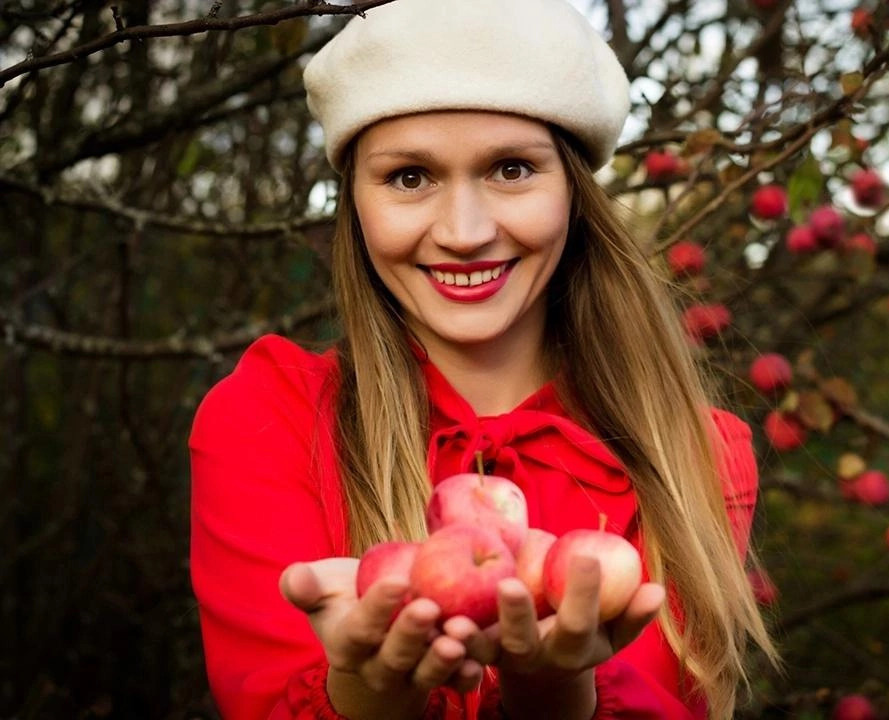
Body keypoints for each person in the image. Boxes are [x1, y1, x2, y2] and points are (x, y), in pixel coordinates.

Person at [188, 0, 777, 718]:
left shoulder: (693, 455)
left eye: (510, 169)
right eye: (409, 177)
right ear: (356, 204)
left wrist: (556, 692)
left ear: (574, 195)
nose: (464, 233)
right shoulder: (267, 419)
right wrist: (365, 695)